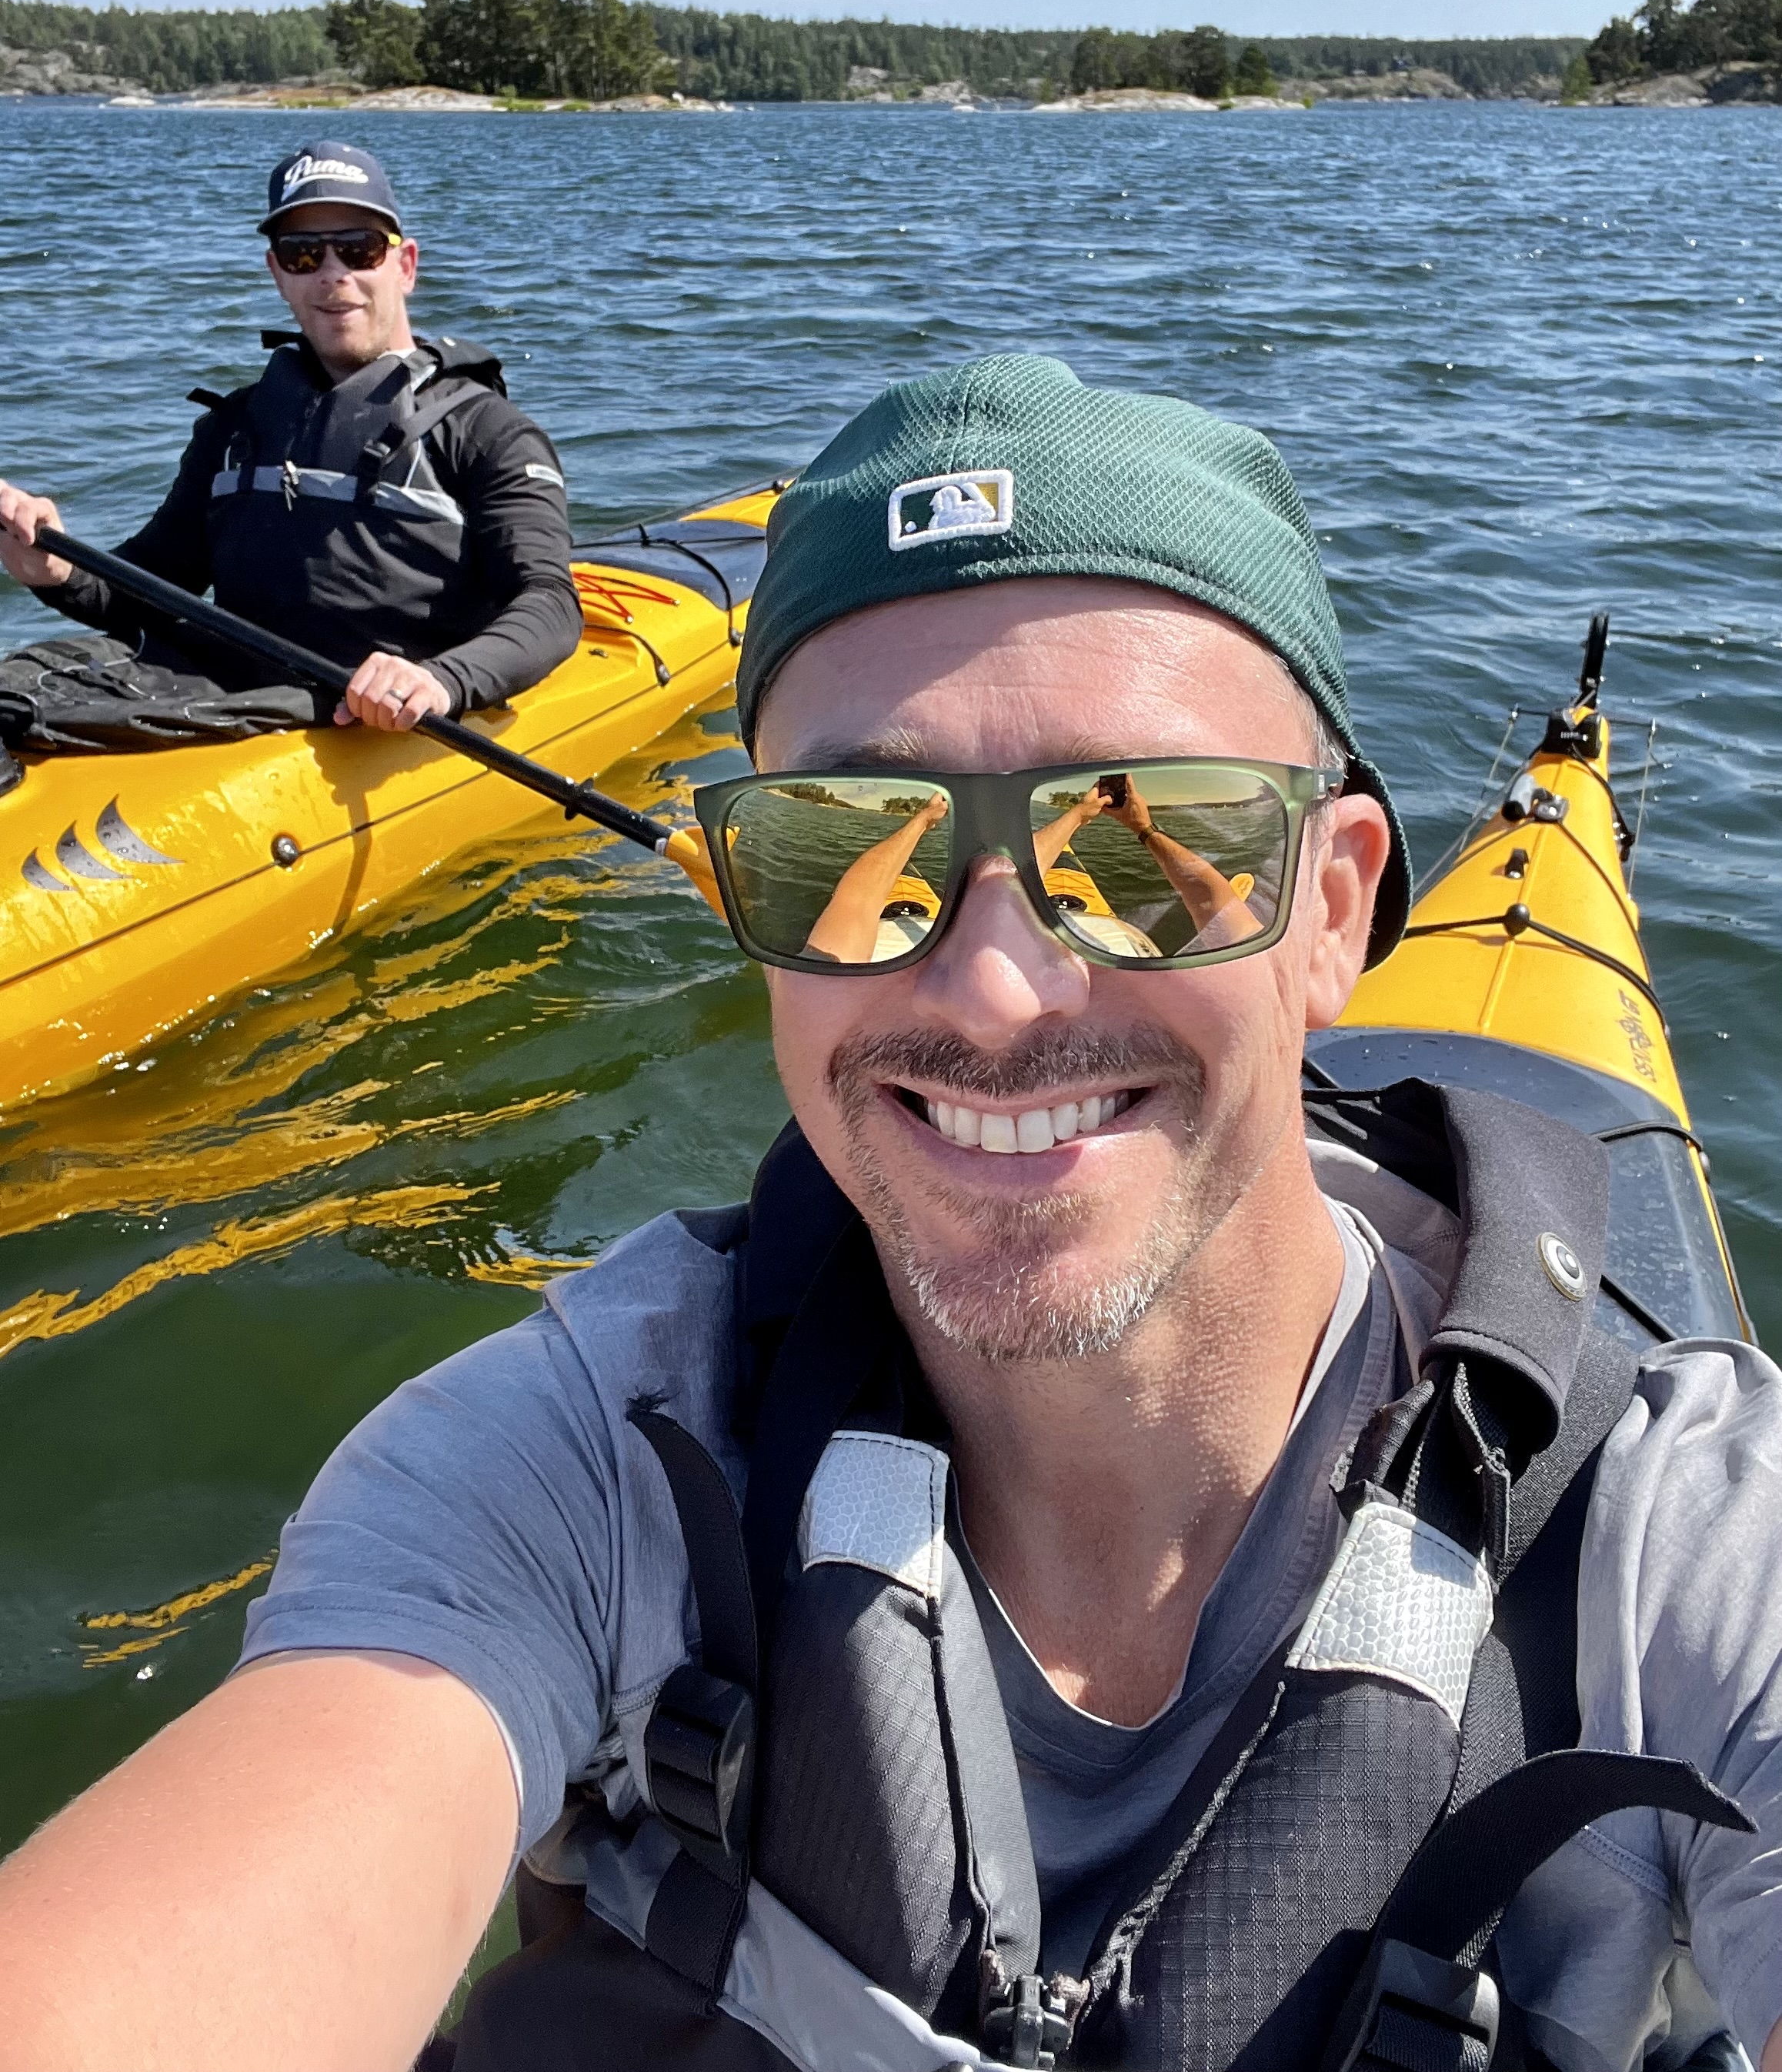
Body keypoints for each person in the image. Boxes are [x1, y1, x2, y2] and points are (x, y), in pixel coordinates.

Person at [3, 353, 1782, 2072]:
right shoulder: (568, 1467)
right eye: (848, 846)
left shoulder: (1688, 1552)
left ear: (1330, 915)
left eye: (1144, 844)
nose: (996, 989)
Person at [0, 140, 582, 739]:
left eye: (358, 249)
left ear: (404, 266)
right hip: (231, 696)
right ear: (278, 273)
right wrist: (56, 570)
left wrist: (442, 680)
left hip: (386, 715)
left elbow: (551, 604)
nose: (333, 274)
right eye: (302, 254)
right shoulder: (235, 428)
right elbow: (151, 587)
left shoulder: (488, 431)